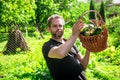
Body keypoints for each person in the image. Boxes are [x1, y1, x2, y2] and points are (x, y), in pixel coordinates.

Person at [42, 14, 91, 80]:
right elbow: (60, 53)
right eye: (54, 26)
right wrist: (74, 35)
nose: (58, 28)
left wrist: (89, 48)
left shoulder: (70, 43)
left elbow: (83, 65)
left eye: (60, 25)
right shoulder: (47, 46)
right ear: (48, 29)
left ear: (63, 27)